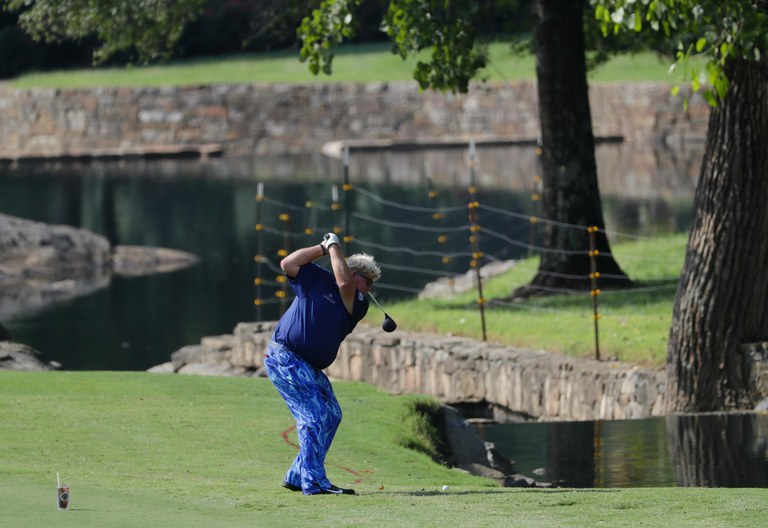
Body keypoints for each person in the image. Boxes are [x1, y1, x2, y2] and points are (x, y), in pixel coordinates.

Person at [264, 233, 381, 495]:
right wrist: (322, 247)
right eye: (369, 281)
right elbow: (288, 264)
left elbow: (344, 285)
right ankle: (314, 481)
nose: (370, 289)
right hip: (286, 357)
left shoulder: (358, 302)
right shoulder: (316, 277)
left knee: (332, 415)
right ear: (355, 273)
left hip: (308, 366)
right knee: (315, 416)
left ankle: (297, 475)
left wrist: (334, 246)